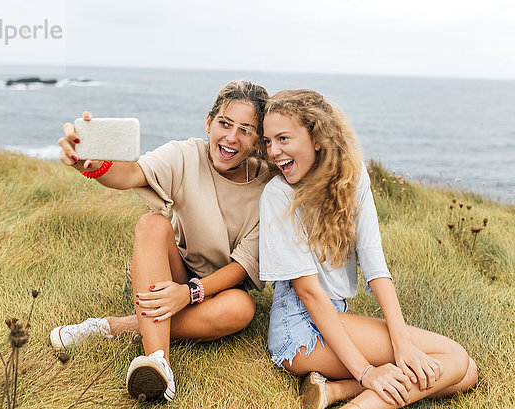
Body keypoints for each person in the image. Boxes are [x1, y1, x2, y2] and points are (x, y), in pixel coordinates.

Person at [52, 81, 271, 402]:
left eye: (246, 130)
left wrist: (189, 293)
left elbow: (242, 268)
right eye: (224, 123)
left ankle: (115, 326)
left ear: (256, 141)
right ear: (209, 122)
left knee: (242, 309)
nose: (231, 138)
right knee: (152, 224)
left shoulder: (267, 186)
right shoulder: (185, 154)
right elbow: (130, 175)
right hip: (178, 269)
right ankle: (158, 362)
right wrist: (95, 166)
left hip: (223, 287)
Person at [259, 89, 478, 409]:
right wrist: (365, 372)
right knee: (454, 358)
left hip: (333, 318)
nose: (273, 151)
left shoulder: (352, 176)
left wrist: (403, 344)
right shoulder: (277, 194)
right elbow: (308, 293)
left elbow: (375, 264)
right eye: (267, 141)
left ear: (316, 137)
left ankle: (336, 391)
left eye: (283, 138)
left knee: (466, 373)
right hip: (299, 334)